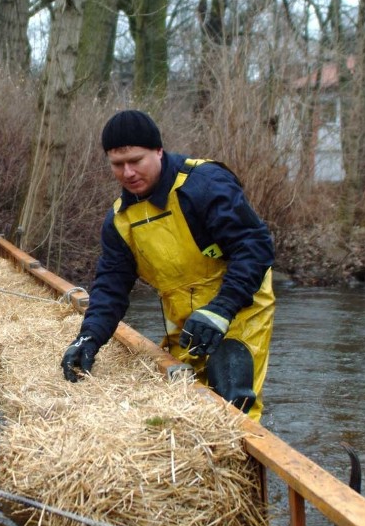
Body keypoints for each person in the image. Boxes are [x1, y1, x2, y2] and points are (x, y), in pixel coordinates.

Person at [60, 109, 275, 422]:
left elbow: (254, 247)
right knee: (183, 400)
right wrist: (89, 337)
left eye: (136, 160)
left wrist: (222, 309)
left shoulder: (204, 184)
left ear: (158, 151)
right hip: (182, 317)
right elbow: (111, 285)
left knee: (233, 405)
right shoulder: (120, 220)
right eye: (118, 164)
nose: (128, 172)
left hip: (239, 307)